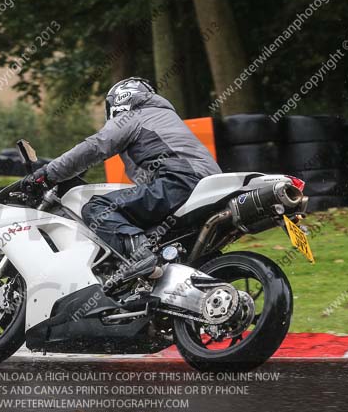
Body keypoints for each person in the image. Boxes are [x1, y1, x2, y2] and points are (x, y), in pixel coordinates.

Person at [23, 77, 221, 282]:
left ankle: (140, 256)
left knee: (99, 208)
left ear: (120, 100)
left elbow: (95, 147)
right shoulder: (164, 117)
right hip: (205, 185)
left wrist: (46, 174)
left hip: (180, 182)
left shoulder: (134, 116)